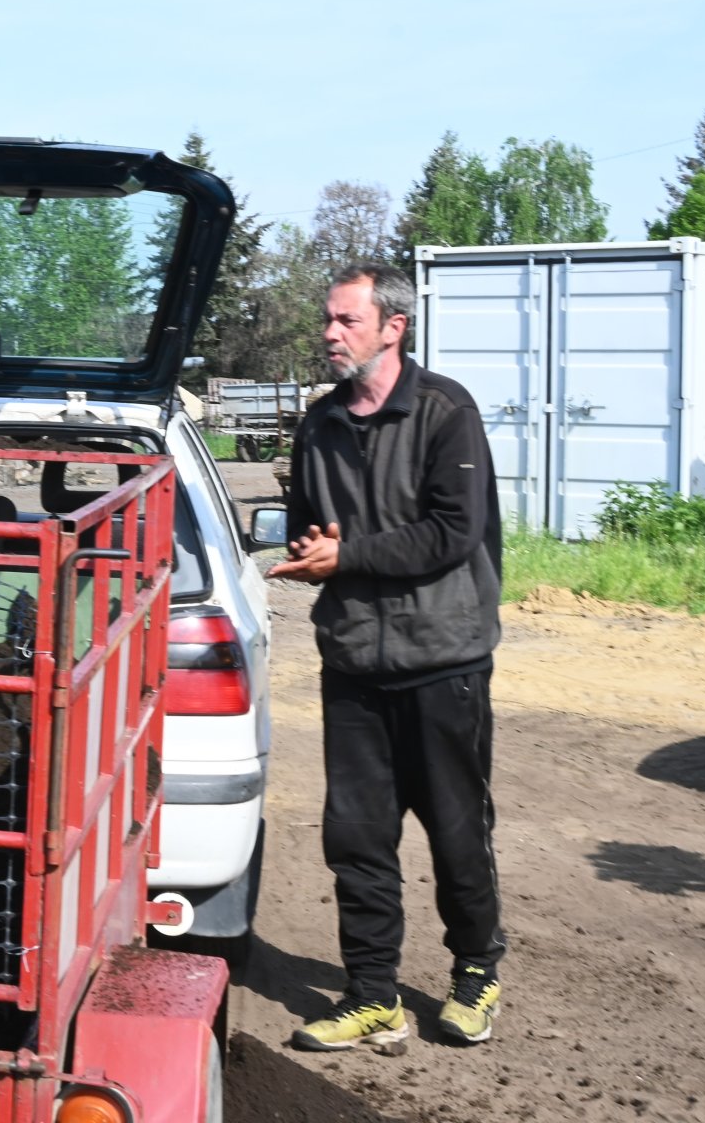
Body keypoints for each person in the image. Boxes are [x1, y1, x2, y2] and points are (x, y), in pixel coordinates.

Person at [270, 260, 506, 1051]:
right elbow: (310, 524)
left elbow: (453, 532)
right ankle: (371, 993)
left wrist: (349, 557)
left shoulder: (446, 412)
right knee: (358, 838)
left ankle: (476, 972)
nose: (330, 335)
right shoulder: (318, 424)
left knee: (455, 831)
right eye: (328, 321)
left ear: (393, 327)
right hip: (355, 667)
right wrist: (311, 549)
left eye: (346, 321)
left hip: (444, 657)